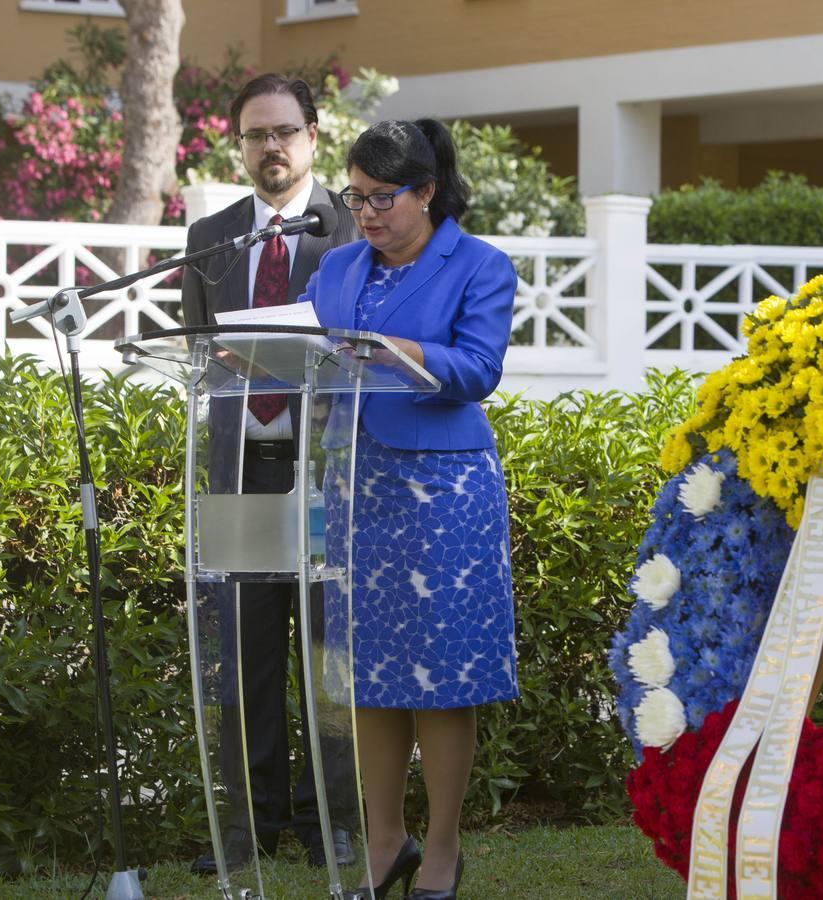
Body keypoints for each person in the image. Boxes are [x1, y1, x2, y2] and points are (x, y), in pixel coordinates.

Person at [302, 119, 519, 900]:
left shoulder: (481, 265)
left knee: (441, 678)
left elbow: (479, 368)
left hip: (443, 493)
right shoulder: (334, 269)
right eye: (354, 198)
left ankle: (443, 848)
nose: (365, 213)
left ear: (426, 192)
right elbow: (307, 346)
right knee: (368, 673)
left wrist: (401, 352)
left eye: (382, 198)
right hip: (354, 486)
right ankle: (385, 838)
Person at [180, 72, 360, 874]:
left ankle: (338, 825)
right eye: (256, 135)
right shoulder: (212, 238)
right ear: (240, 145)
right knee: (246, 654)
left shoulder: (357, 229)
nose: (271, 147)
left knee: (331, 657)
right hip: (241, 468)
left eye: (284, 131)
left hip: (331, 470)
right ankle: (252, 826)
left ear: (313, 137)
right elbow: (192, 352)